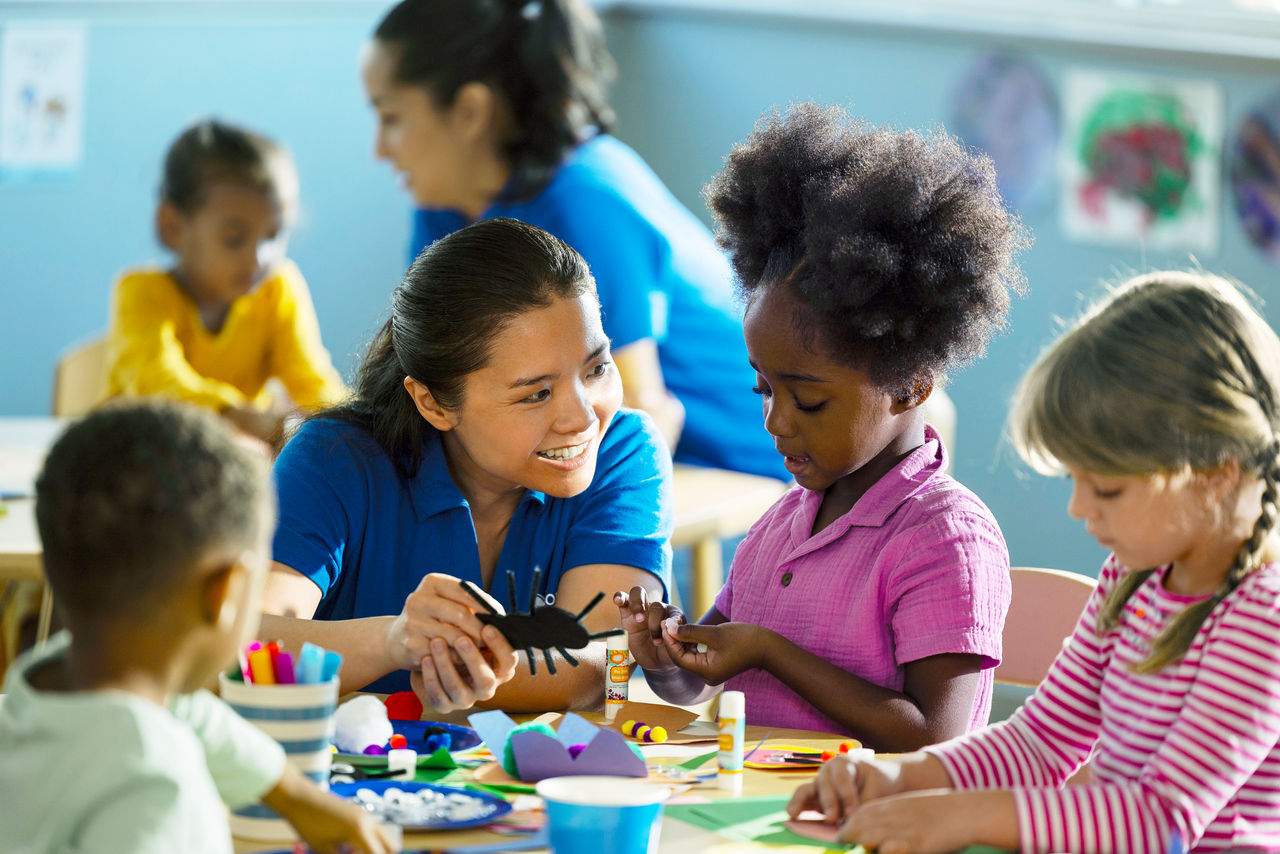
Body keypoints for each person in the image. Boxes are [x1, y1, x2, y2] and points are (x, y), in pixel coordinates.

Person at [789, 271, 1280, 854]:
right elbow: (1041, 742)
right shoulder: (1132, 580)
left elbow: (1160, 822)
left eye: (1108, 490)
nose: (1078, 509)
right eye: (1078, 481)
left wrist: (961, 818)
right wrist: (902, 777)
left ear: (1216, 474)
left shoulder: (1261, 617)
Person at [616, 104, 1029, 751]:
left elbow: (935, 737)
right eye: (763, 387)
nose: (776, 421)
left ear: (908, 383)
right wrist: (666, 657)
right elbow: (701, 685)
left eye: (808, 400)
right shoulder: (785, 521)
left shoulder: (944, 537)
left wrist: (768, 652)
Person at [359, 0, 788, 480]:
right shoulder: (442, 206)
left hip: (734, 474)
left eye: (391, 117)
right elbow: (433, 379)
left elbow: (645, 415)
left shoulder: (588, 199)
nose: (380, 149)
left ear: (469, 111)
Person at [259, 217, 671, 712]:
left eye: (597, 368)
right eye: (537, 394)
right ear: (432, 403)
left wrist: (414, 667)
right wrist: (393, 641)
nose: (584, 417)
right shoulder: (334, 460)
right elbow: (241, 643)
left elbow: (606, 661)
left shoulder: (623, 450)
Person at [0, 401, 395, 854]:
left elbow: (194, 715)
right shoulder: (158, 789)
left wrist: (297, 798)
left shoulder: (48, 678)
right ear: (224, 593)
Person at [106, 118, 347, 447]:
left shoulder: (277, 288)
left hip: (229, 465)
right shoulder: (141, 293)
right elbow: (157, 384)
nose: (259, 258)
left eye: (274, 235)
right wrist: (243, 417)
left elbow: (312, 381)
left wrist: (346, 424)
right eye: (235, 239)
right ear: (172, 226)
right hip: (140, 463)